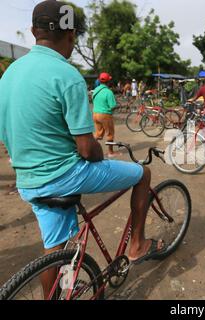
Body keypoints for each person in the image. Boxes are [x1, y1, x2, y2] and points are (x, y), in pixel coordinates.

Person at [0, 0, 164, 299]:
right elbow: (87, 149)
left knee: (55, 246)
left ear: (34, 30)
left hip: (27, 178)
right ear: (72, 35)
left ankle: (55, 294)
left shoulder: (9, 74)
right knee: (143, 173)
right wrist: (100, 152)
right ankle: (138, 245)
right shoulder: (66, 74)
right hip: (64, 174)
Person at [92, 72, 121, 158]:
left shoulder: (95, 90)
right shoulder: (108, 92)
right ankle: (110, 152)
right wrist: (118, 106)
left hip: (95, 114)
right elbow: (112, 106)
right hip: (105, 115)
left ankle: (90, 149)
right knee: (110, 133)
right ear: (108, 81)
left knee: (98, 134)